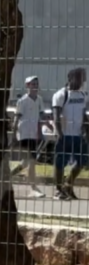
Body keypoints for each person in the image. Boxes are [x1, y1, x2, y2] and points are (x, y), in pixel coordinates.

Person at [51, 68, 88, 200]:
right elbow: (56, 115)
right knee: (60, 163)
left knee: (83, 160)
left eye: (83, 78)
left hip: (78, 135)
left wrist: (86, 130)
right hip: (64, 134)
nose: (82, 81)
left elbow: (83, 115)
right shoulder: (61, 95)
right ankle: (58, 190)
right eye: (79, 78)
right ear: (70, 78)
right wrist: (59, 133)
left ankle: (68, 184)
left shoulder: (83, 95)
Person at [12, 76, 47, 198]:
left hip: (33, 134)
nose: (35, 86)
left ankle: (7, 177)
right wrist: (14, 134)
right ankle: (33, 188)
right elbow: (16, 118)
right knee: (32, 161)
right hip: (24, 133)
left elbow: (41, 116)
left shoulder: (39, 100)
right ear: (28, 86)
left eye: (36, 84)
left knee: (25, 163)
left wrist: (44, 128)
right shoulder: (22, 101)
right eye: (32, 84)